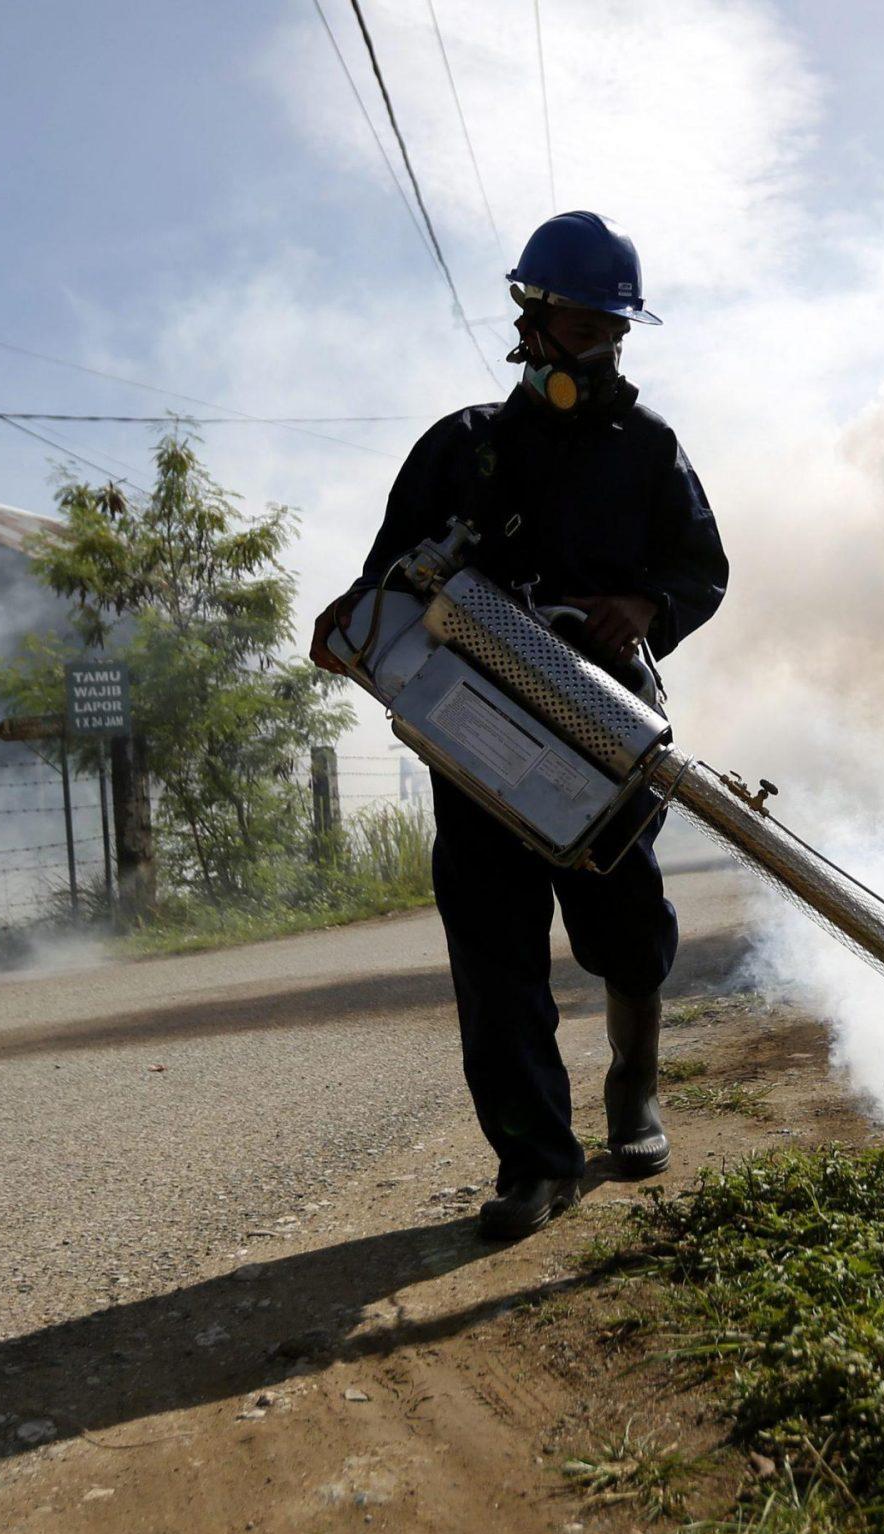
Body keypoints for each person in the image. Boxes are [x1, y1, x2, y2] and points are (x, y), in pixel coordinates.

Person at [310, 210, 729, 1240]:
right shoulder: (462, 449)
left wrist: (651, 608)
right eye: (578, 326)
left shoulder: (648, 446)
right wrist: (344, 623)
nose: (595, 348)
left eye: (610, 330)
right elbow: (386, 579)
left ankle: (632, 1087)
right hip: (481, 741)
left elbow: (701, 571)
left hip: (605, 736)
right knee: (496, 960)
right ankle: (533, 1164)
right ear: (530, 321)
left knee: (627, 932)